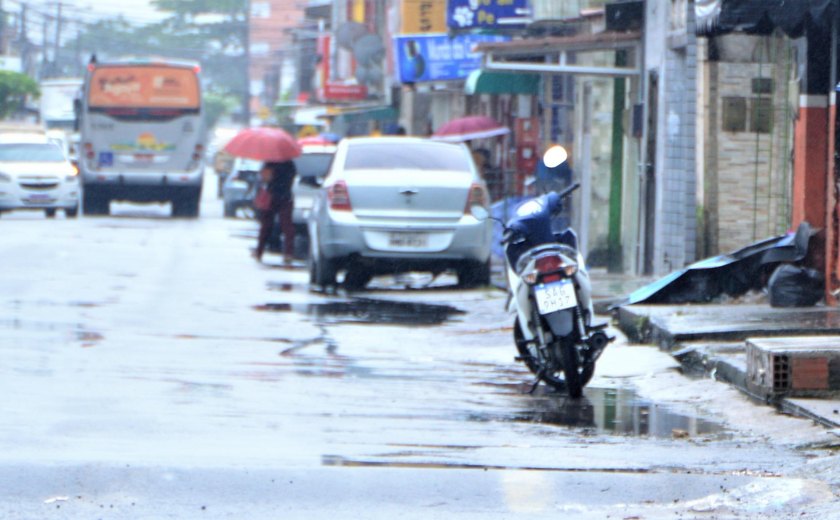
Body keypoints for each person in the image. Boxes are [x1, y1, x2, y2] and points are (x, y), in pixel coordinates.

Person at [254, 160, 297, 264]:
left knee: (266, 226)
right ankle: (288, 254)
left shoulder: (269, 162)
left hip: (271, 196)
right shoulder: (290, 163)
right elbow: (292, 178)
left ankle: (259, 252)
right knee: (287, 226)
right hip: (286, 197)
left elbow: (264, 179)